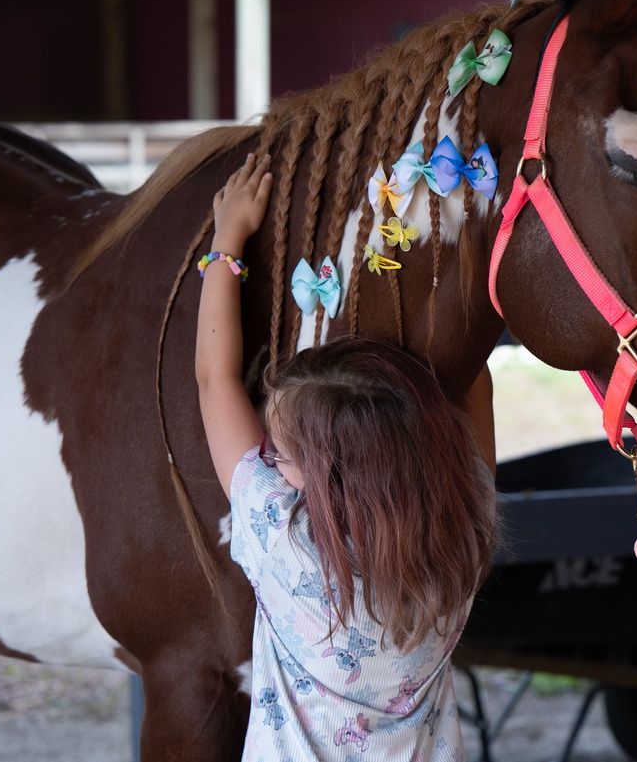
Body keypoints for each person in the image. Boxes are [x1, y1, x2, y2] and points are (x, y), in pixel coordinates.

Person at [196, 152, 497, 761]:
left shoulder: (283, 540)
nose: (267, 461)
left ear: (327, 477)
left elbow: (212, 379)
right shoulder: (459, 545)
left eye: (278, 453)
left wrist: (228, 237)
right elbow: (474, 381)